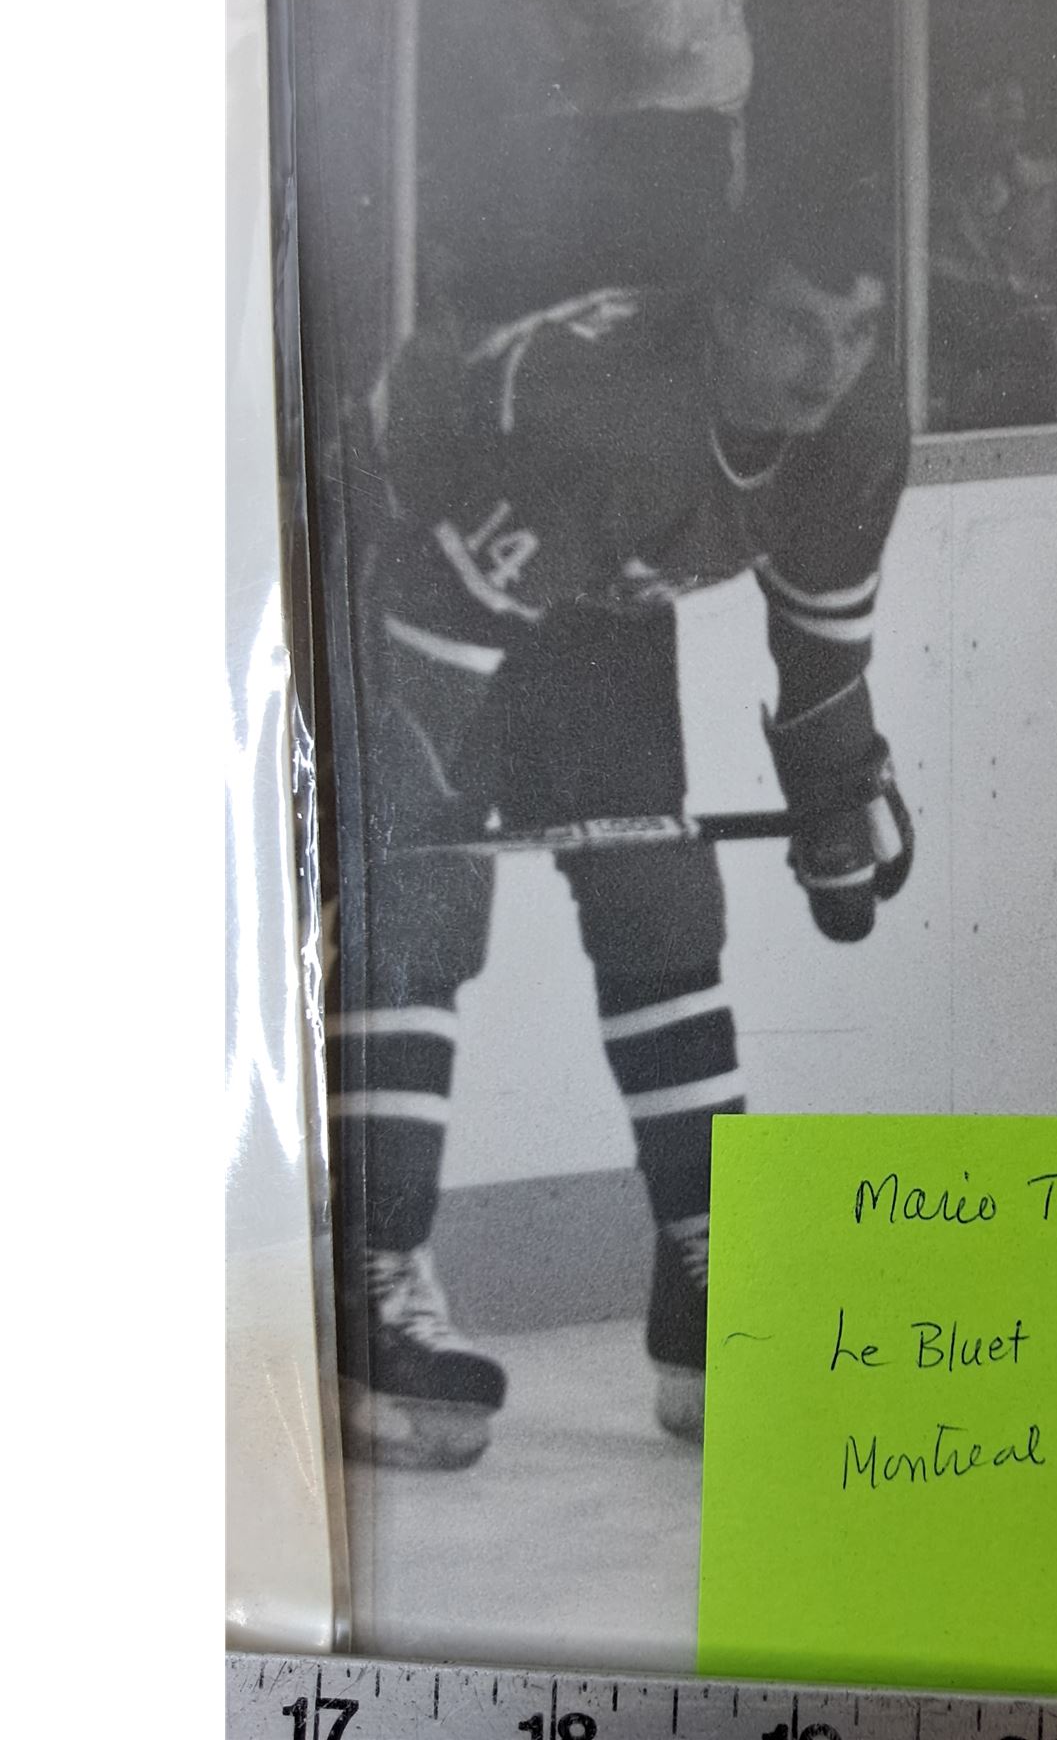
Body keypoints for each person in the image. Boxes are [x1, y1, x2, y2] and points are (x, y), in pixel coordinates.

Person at [327, 176, 914, 1469]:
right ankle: (375, 1276)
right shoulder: (605, 416)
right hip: (399, 544)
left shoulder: (859, 423)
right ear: (720, 318)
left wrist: (836, 799)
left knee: (662, 903)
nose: (829, 367)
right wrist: (391, 806)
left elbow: (822, 653)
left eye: (857, 331)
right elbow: (435, 629)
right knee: (422, 896)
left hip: (587, 590)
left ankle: (707, 1282)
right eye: (797, 327)